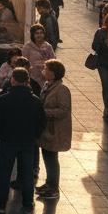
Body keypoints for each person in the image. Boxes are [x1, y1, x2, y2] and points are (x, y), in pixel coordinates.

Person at [0, 68, 46, 214]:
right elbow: (41, 122)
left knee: (5, 172)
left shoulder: (4, 99)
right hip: (28, 141)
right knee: (27, 173)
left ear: (13, 80)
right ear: (27, 81)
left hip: (8, 140)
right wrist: (35, 136)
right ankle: (28, 204)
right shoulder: (35, 101)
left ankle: (1, 203)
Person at [36, 60, 72, 202]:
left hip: (55, 130)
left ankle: (53, 187)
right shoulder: (47, 85)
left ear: (53, 73)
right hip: (46, 129)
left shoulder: (62, 90)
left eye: (46, 69)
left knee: (52, 158)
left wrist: (44, 112)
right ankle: (48, 183)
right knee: (47, 156)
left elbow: (63, 110)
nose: (43, 71)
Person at [22, 24, 54, 88]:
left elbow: (53, 62)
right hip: (32, 80)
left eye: (41, 33)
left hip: (46, 80)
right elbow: (23, 64)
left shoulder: (48, 46)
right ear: (33, 35)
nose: (39, 35)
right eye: (37, 33)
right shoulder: (27, 47)